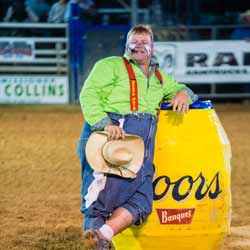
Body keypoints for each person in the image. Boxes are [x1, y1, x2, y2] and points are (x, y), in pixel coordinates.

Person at [77, 24, 197, 250]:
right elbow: (89, 94)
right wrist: (105, 124)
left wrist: (183, 93)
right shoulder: (110, 65)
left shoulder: (160, 77)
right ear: (127, 45)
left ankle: (101, 236)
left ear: (153, 48)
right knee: (99, 202)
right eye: (135, 41)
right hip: (112, 139)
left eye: (145, 42)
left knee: (142, 200)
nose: (139, 46)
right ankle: (93, 245)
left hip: (142, 147)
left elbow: (182, 89)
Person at [230, 9, 250, 103]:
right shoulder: (239, 30)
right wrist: (242, 41)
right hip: (243, 58)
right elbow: (233, 41)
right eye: (247, 17)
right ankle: (247, 96)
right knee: (245, 76)